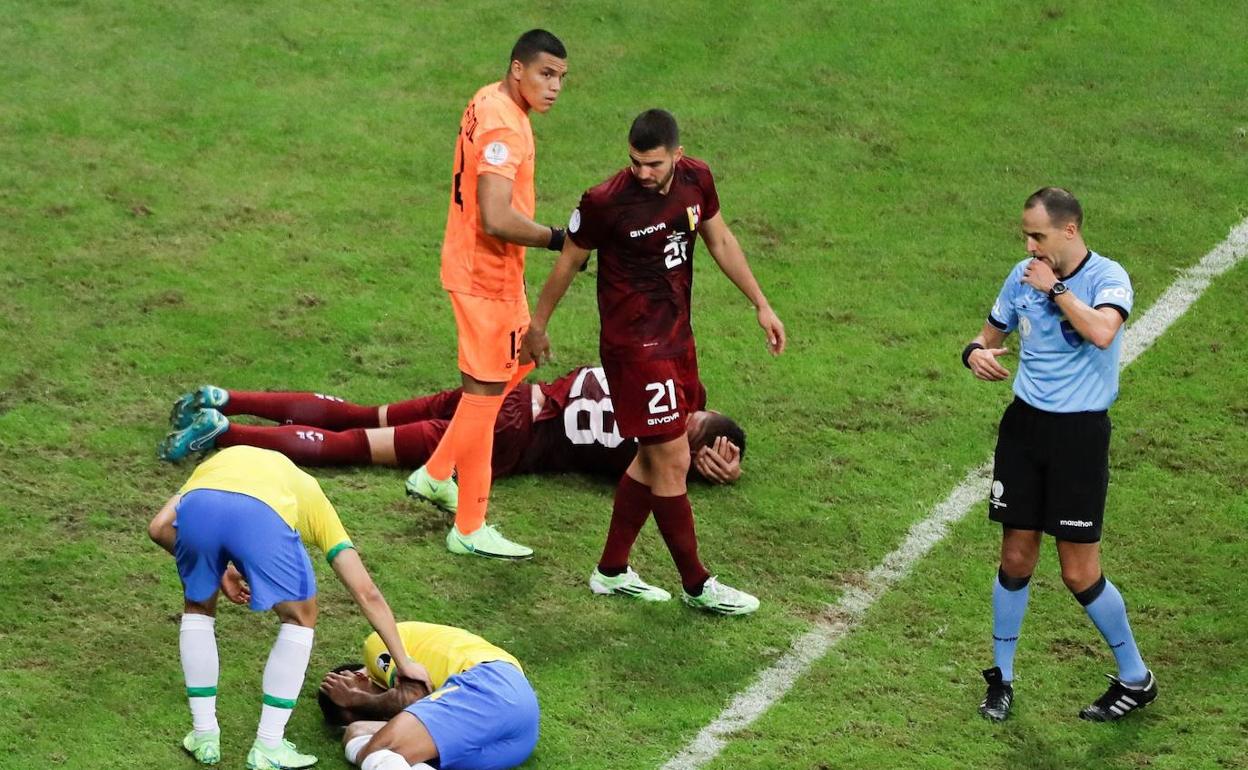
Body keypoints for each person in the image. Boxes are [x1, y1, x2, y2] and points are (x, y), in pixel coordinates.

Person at [522, 109, 786, 615]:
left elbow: (721, 240)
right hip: (633, 349)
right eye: (635, 162)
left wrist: (761, 303)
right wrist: (538, 324)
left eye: (653, 164)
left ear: (677, 155)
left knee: (651, 457)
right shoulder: (605, 202)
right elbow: (568, 262)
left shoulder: (696, 179)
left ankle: (611, 570)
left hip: (677, 341)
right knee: (672, 458)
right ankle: (696, 584)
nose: (642, 172)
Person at [963, 187, 1157, 722]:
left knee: (1078, 572)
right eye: (1026, 235)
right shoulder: (1021, 273)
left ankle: (1136, 678)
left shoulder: (1108, 278)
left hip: (1079, 438)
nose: (1029, 245)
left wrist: (1057, 291)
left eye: (1038, 235)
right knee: (1015, 557)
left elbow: (1100, 331)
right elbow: (986, 335)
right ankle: (1001, 678)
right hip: (1024, 431)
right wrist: (975, 354)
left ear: (1069, 231)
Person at [147, 445, 432, 769]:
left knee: (198, 607)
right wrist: (402, 660)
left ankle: (203, 735)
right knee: (301, 615)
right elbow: (365, 591)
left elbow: (158, 528)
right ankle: (268, 744)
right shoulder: (309, 493)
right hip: (261, 516)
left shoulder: (214, 467)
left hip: (199, 506)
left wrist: (220, 570)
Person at [404, 29, 570, 561]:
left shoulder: (487, 98)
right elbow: (496, 217)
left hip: (486, 272)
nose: (554, 87)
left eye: (562, 78)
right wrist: (558, 239)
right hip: (486, 277)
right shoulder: (504, 125)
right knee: (485, 396)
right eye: (546, 74)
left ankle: (435, 473)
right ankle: (470, 526)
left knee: (511, 372)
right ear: (517, 69)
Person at [156, 366, 745, 496]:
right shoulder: (653, 447)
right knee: (359, 447)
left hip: (508, 389)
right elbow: (653, 475)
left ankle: (225, 398)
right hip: (510, 435)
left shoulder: (661, 374)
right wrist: (700, 472)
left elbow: (691, 407)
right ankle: (225, 433)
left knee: (368, 415)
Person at [316, 621, 538, 770]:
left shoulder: (377, 645)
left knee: (376, 747)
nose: (382, 719)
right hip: (514, 735)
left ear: (358, 678)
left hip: (490, 684)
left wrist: (359, 700)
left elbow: (412, 698)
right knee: (378, 746)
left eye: (364, 712)